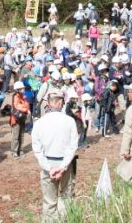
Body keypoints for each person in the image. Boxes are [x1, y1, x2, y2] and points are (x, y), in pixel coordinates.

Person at [31, 90, 78, 222]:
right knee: (66, 197)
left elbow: (37, 149)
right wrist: (63, 167)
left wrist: (49, 168)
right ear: (59, 102)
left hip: (48, 163)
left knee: (49, 201)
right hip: (65, 163)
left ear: (49, 103)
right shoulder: (69, 121)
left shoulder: (39, 122)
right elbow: (73, 146)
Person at [10, 81, 30, 158]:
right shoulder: (15, 96)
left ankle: (20, 150)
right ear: (17, 89)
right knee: (16, 136)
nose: (23, 89)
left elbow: (26, 105)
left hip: (22, 118)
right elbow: (17, 106)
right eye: (22, 88)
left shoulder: (22, 96)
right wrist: (25, 109)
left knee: (21, 136)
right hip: (16, 119)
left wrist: (25, 106)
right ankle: (14, 151)